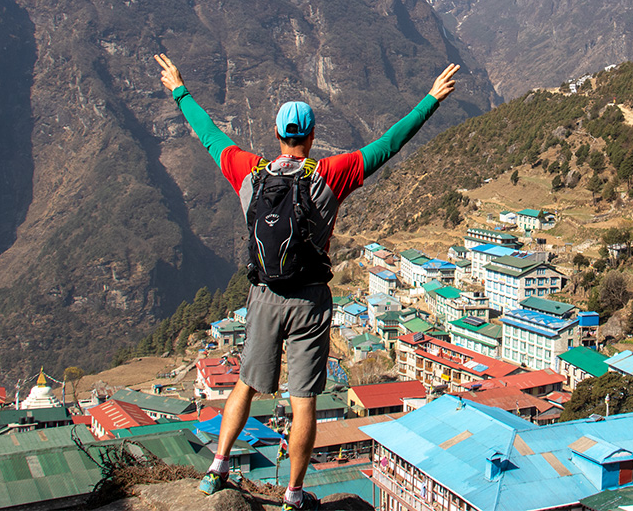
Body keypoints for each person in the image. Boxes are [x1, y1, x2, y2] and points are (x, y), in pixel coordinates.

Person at [154, 54, 459, 510]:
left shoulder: (247, 171)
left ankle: (217, 466)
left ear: (277, 136)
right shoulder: (332, 175)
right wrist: (431, 99)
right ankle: (293, 495)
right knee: (303, 399)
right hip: (310, 301)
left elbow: (209, 135)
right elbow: (389, 143)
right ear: (312, 137)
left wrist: (180, 89)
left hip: (262, 295)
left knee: (245, 384)